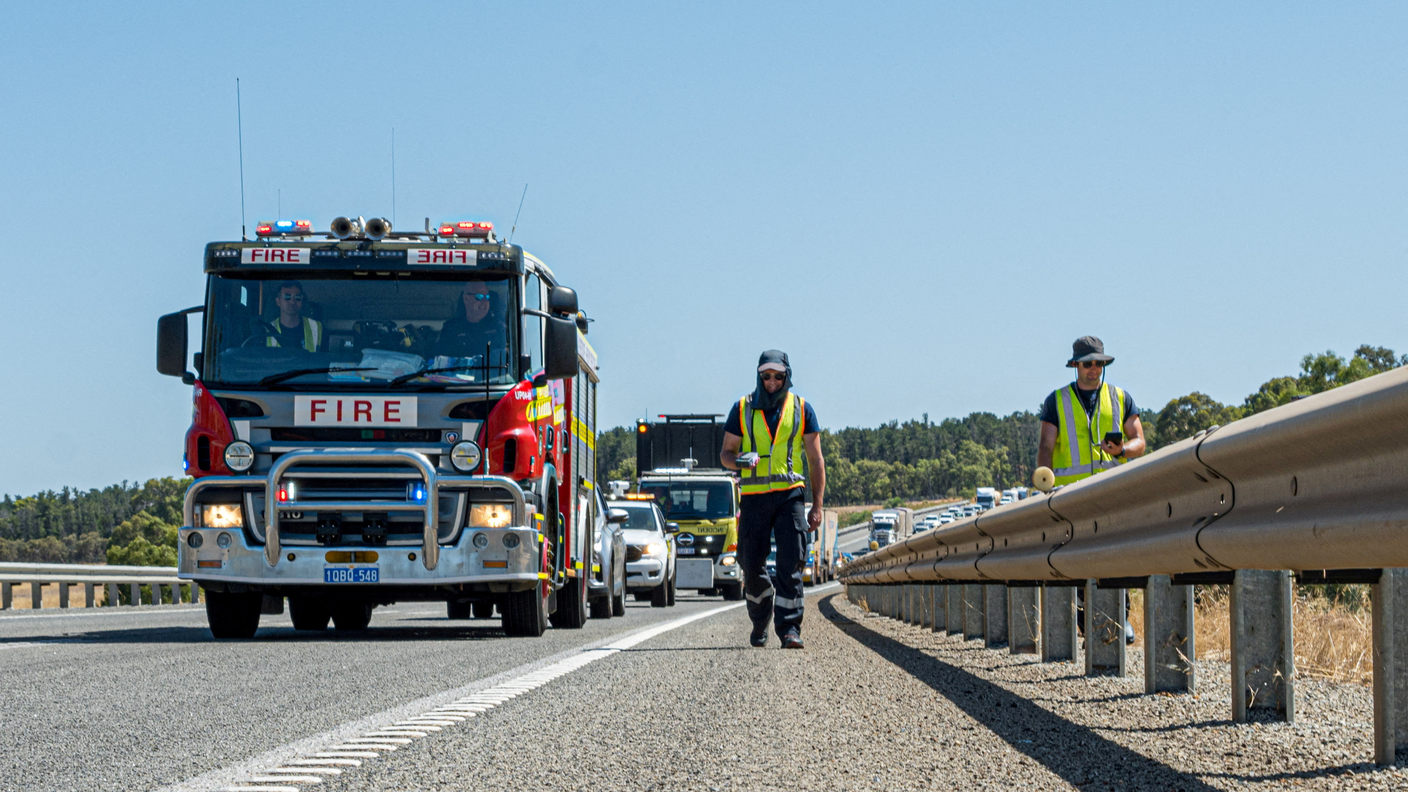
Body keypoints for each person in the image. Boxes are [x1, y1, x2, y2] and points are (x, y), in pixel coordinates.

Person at [720, 350, 825, 650]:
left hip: (790, 495)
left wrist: (816, 506)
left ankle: (789, 628)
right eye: (766, 375)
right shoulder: (741, 408)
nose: (772, 381)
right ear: (759, 375)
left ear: (786, 376)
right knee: (751, 565)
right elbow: (725, 454)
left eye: (778, 376)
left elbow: (816, 461)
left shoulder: (803, 409)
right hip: (753, 498)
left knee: (791, 559)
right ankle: (760, 617)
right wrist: (739, 461)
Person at [1037, 336, 1146, 487]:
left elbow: (1140, 443)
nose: (1094, 368)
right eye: (1087, 364)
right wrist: (1045, 482)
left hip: (1113, 489)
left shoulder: (1121, 397)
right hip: (1070, 494)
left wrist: (1122, 450)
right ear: (1075, 364)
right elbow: (1045, 447)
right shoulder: (1056, 400)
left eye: (1099, 363)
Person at [435, 280, 507, 362]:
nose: (484, 302)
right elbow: (440, 360)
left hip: (490, 374)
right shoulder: (450, 328)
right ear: (465, 299)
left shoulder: (499, 327)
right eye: (479, 297)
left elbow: (505, 359)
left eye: (487, 297)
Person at [265, 281, 322, 352]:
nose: (292, 301)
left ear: (301, 301)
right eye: (287, 297)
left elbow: (326, 359)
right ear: (278, 301)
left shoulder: (317, 328)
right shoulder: (265, 331)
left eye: (297, 297)